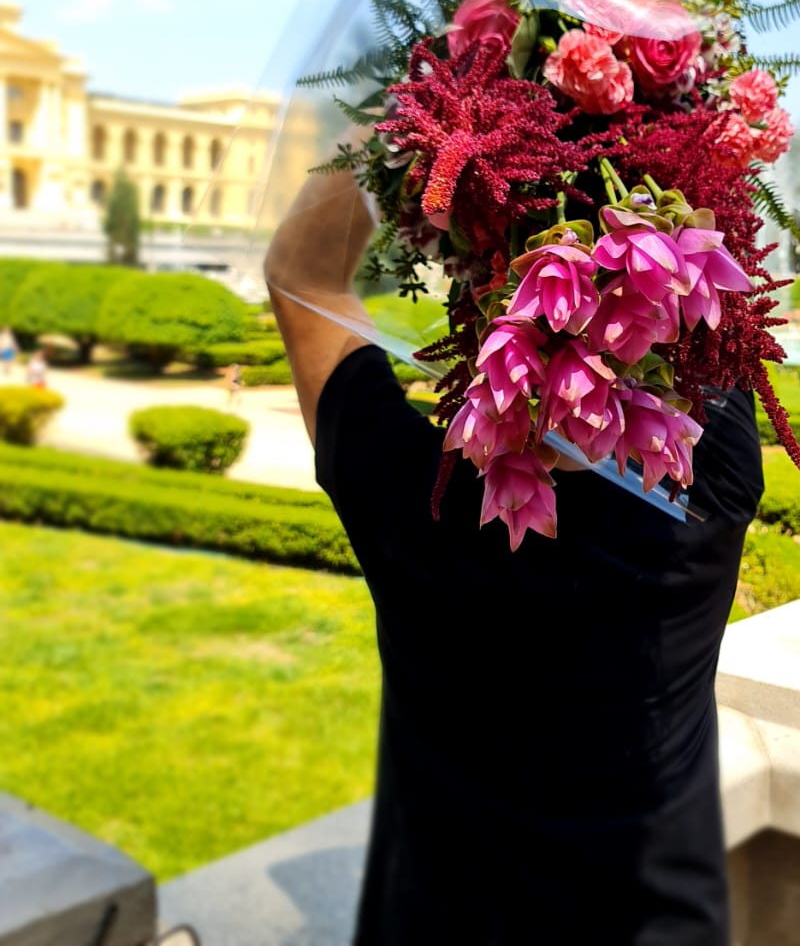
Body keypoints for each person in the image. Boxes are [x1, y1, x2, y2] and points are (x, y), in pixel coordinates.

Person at [265, 163, 764, 945]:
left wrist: (400, 129)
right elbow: (712, 316)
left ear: (477, 300)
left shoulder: (410, 491)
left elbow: (302, 276)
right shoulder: (712, 477)